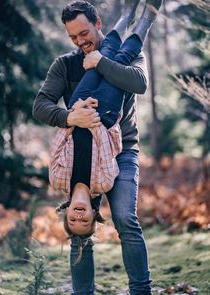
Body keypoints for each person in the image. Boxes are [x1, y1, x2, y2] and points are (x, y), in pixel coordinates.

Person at [33, 0, 162, 294]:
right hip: (88, 149)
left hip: (122, 150)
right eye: (73, 37)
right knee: (79, 232)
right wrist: (69, 116)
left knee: (126, 218)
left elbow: (140, 83)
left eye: (83, 33)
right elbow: (40, 106)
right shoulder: (65, 64)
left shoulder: (130, 56)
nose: (79, 42)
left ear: (98, 23)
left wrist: (101, 63)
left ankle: (141, 290)